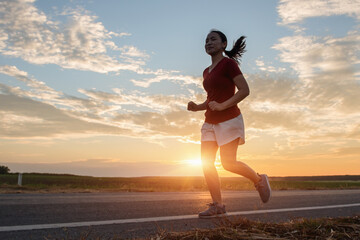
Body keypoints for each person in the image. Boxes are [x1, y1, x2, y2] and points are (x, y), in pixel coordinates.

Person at [187, 30, 271, 219]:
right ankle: (218, 205)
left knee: (228, 163)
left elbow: (244, 90)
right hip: (209, 122)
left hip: (229, 120)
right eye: (206, 40)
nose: (208, 42)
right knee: (206, 163)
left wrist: (223, 105)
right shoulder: (206, 71)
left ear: (224, 44)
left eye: (213, 39)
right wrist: (197, 107)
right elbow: (212, 100)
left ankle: (259, 180)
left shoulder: (228, 64)